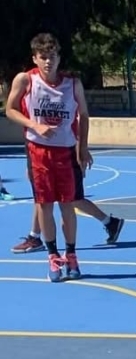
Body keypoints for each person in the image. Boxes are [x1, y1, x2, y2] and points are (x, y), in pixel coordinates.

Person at [4, 32, 97, 281]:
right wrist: (34, 125)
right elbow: (10, 109)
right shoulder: (25, 80)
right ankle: (52, 256)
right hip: (38, 151)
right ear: (35, 58)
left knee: (68, 205)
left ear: (59, 57)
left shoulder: (72, 83)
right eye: (43, 57)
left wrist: (83, 147)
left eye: (52, 56)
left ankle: (72, 255)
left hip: (66, 151)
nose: (48, 61)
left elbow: (84, 115)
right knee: (45, 205)